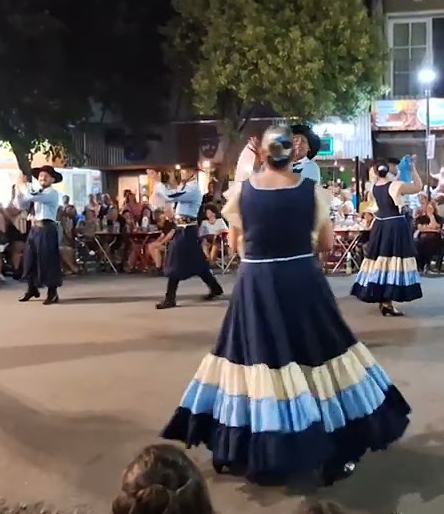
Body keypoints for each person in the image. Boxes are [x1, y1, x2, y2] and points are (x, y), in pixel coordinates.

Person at [161, 125, 411, 486]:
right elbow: (325, 245)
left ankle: (241, 448)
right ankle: (332, 448)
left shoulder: (241, 193)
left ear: (262, 154)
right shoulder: (312, 192)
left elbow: (234, 247)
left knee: (251, 360)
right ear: (292, 154)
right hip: (301, 282)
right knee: (317, 356)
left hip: (255, 286)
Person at [351, 155, 424, 316]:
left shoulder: (374, 187)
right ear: (389, 169)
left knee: (381, 261)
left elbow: (390, 187)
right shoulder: (395, 185)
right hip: (395, 226)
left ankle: (385, 301)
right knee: (393, 261)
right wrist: (413, 170)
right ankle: (387, 301)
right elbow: (418, 187)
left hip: (381, 225)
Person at [153, 167, 225, 310]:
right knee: (197, 262)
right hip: (184, 228)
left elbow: (170, 195)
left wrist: (157, 183)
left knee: (174, 260)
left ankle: (170, 298)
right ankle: (215, 288)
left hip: (187, 230)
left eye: (185, 170)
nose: (182, 172)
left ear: (192, 172)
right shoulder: (186, 187)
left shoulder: (193, 189)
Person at [14, 166, 65, 305]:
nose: (42, 178)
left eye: (46, 176)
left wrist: (22, 185)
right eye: (41, 176)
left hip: (47, 228)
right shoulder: (36, 192)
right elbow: (20, 205)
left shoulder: (52, 193)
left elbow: (31, 196)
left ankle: (52, 292)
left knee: (48, 260)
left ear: (52, 179)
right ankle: (32, 288)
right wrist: (18, 191)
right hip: (35, 228)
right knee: (30, 259)